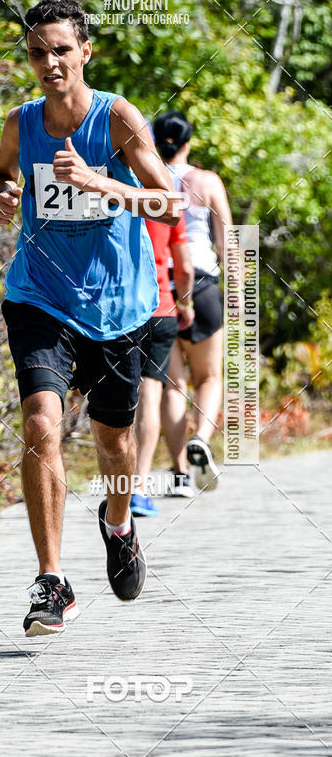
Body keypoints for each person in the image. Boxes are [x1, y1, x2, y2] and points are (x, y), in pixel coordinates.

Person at [0, 0, 184, 636]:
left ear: (85, 52)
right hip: (39, 294)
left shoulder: (115, 118)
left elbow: (169, 205)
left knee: (113, 442)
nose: (50, 63)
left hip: (117, 303)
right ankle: (52, 582)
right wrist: (2, 194)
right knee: (42, 420)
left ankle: (118, 522)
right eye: (38, 52)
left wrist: (105, 185)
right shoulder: (23, 122)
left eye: (61, 50)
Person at [153, 110, 233, 493]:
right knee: (210, 376)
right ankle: (200, 437)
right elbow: (227, 243)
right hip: (201, 285)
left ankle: (180, 473)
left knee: (172, 384)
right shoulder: (207, 181)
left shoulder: (145, 179)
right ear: (188, 142)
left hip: (158, 286)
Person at [131, 212, 194, 515]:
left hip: (115, 308)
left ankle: (118, 482)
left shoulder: (109, 187)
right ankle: (138, 487)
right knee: (150, 392)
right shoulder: (167, 200)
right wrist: (185, 303)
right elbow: (184, 268)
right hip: (160, 307)